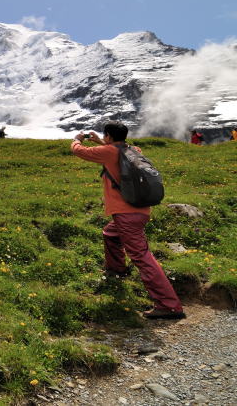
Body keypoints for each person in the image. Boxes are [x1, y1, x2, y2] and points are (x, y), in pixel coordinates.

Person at [71, 122, 185, 320]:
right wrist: (101, 141)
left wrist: (77, 139)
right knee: (110, 234)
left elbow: (79, 151)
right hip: (140, 211)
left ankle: (169, 305)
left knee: (142, 257)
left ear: (108, 136)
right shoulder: (133, 150)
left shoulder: (108, 152)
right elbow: (117, 151)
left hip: (126, 215)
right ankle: (116, 270)